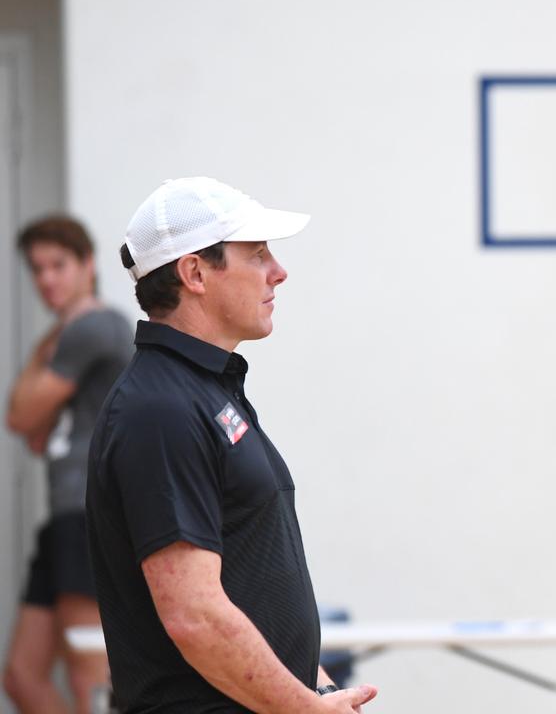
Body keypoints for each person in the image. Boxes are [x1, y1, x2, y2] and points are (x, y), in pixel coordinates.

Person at [84, 177, 377, 712]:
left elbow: (255, 579)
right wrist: (304, 708)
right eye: (258, 254)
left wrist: (322, 691)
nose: (279, 272)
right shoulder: (159, 410)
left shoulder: (203, 391)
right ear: (194, 273)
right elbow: (194, 615)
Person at [4, 215, 132, 713]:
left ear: (88, 265)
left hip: (89, 516)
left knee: (91, 676)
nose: (47, 280)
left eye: (58, 265)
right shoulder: (69, 338)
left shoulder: (94, 328)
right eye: (37, 269)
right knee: (22, 675)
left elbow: (19, 417)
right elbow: (38, 436)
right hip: (65, 519)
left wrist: (44, 347)